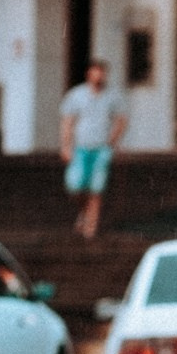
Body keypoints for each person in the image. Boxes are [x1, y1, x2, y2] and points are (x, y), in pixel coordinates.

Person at [59, 60, 128, 241]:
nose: (99, 76)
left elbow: (121, 120)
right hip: (81, 148)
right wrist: (66, 146)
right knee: (75, 186)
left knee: (96, 189)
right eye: (96, 72)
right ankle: (84, 211)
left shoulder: (112, 96)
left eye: (102, 72)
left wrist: (111, 141)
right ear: (89, 73)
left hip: (101, 149)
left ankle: (90, 229)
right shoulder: (76, 95)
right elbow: (68, 121)